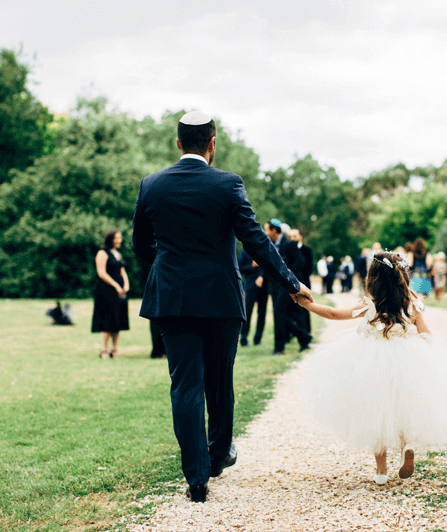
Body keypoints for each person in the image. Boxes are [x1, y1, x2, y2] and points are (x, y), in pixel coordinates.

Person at [132, 111, 313, 503]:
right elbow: (256, 242)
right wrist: (291, 282)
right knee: (218, 380)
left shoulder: (151, 186)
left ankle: (197, 479)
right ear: (212, 143)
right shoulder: (228, 185)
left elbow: (140, 247)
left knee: (185, 386)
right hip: (221, 299)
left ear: (178, 143)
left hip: (172, 300)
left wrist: (167, 270)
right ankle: (217, 457)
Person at [297, 251, 447, 485]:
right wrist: (442, 350)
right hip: (407, 361)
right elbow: (426, 334)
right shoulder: (412, 302)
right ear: (402, 276)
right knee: (402, 408)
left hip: (373, 363)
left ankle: (381, 471)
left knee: (376, 413)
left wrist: (307, 304)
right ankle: (407, 446)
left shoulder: (370, 304)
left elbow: (334, 313)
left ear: (372, 278)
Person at [263, 219, 312, 355]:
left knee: (281, 314)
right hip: (275, 285)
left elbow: (300, 261)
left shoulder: (289, 244)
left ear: (274, 231)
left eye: (266, 229)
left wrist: (287, 276)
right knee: (285, 314)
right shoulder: (269, 245)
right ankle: (304, 338)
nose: (265, 233)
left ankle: (279, 348)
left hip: (288, 284)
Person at [91, 229, 130, 359]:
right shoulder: (102, 253)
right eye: (118, 238)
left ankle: (114, 349)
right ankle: (104, 349)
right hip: (107, 291)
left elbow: (122, 270)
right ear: (111, 239)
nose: (120, 240)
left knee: (118, 319)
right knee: (108, 319)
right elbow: (101, 273)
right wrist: (116, 286)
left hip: (120, 291)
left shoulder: (117, 254)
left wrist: (126, 284)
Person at [238, 247, 268, 347]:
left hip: (263, 286)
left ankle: (258, 339)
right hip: (250, 286)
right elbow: (239, 268)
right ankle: (243, 338)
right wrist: (252, 265)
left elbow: (268, 265)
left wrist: (261, 276)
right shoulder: (244, 251)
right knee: (248, 312)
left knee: (262, 313)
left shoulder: (263, 249)